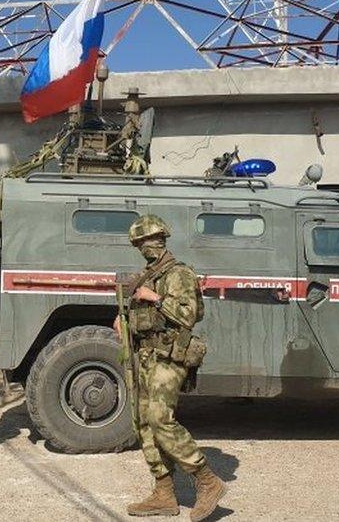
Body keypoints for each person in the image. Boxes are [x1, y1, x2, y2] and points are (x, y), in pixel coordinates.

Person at [118, 215, 227, 521]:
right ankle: (163, 494)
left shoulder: (179, 273)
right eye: (140, 243)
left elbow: (187, 316)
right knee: (142, 422)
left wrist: (154, 297)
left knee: (160, 419)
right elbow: (139, 313)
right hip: (146, 356)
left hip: (169, 356)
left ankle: (207, 481)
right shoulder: (147, 275)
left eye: (149, 241)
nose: (146, 247)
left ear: (161, 240)